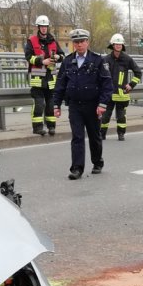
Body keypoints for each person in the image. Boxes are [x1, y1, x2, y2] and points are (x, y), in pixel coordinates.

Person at [52, 28, 113, 180]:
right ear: (73, 44)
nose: (79, 45)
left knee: (94, 136)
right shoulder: (67, 61)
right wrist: (56, 105)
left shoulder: (98, 60)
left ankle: (97, 162)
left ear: (87, 42)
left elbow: (107, 84)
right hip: (75, 106)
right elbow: (60, 84)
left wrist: (102, 104)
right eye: (76, 42)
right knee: (77, 137)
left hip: (93, 105)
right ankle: (77, 168)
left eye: (82, 42)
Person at [25, 15, 63, 136]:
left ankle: (51, 126)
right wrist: (42, 61)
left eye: (45, 26)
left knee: (51, 104)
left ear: (47, 27)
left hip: (51, 79)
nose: (44, 29)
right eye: (41, 26)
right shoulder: (32, 40)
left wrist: (58, 57)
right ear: (38, 27)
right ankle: (37, 128)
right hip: (37, 79)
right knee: (39, 104)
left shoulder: (53, 41)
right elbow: (28, 57)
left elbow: (62, 55)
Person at [100, 33, 142, 141]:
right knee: (105, 116)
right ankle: (102, 134)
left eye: (120, 44)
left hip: (122, 94)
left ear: (122, 46)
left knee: (121, 116)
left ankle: (121, 134)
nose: (118, 46)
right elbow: (100, 75)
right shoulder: (106, 59)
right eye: (116, 44)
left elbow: (138, 73)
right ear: (112, 45)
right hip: (108, 94)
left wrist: (131, 85)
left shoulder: (127, 59)